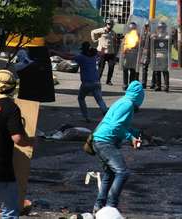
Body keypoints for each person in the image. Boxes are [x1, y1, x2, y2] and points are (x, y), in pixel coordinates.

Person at [0, 70, 34, 219]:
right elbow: (18, 138)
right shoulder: (10, 107)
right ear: (12, 88)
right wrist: (30, 141)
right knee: (9, 212)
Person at [92, 81, 144, 214]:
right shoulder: (127, 105)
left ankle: (99, 206)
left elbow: (121, 125)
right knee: (122, 172)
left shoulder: (123, 101)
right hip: (105, 141)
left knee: (110, 173)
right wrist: (131, 138)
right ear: (139, 97)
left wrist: (136, 133)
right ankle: (111, 206)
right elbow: (116, 126)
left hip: (100, 140)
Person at [51, 42, 108, 122]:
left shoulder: (81, 57)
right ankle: (106, 114)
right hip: (96, 82)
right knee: (99, 100)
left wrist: (55, 52)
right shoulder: (94, 55)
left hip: (86, 83)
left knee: (81, 98)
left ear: (83, 49)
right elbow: (71, 54)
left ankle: (86, 117)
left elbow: (67, 56)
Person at [91, 19, 117, 86]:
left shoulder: (113, 32)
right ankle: (97, 80)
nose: (110, 25)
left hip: (110, 52)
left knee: (111, 67)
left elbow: (114, 40)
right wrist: (94, 40)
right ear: (106, 24)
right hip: (102, 51)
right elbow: (93, 32)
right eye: (108, 24)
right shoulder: (102, 30)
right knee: (101, 67)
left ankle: (108, 80)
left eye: (111, 24)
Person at [151, 21, 170, 92]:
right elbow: (152, 44)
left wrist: (168, 38)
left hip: (164, 56)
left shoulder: (167, 36)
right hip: (157, 55)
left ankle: (166, 86)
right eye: (160, 28)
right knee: (157, 71)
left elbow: (170, 43)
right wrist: (152, 37)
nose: (161, 29)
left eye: (163, 28)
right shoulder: (155, 35)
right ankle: (157, 85)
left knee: (165, 71)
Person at [121, 22, 140, 90]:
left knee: (132, 70)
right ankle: (125, 84)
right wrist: (123, 51)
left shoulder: (137, 36)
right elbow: (123, 44)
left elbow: (136, 45)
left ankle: (131, 85)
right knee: (125, 70)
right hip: (127, 54)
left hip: (134, 54)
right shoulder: (127, 35)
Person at [140, 21, 155, 89]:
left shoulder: (153, 35)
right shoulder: (143, 34)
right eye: (146, 26)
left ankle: (153, 83)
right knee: (144, 68)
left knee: (154, 68)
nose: (147, 28)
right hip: (145, 53)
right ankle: (143, 83)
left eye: (148, 26)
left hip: (152, 52)